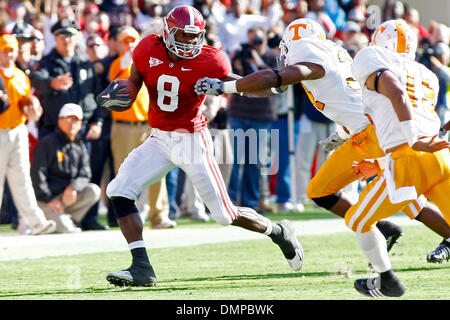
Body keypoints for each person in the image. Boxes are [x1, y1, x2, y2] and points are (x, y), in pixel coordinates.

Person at [194, 18, 450, 260]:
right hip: (362, 134)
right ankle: (382, 228)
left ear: (297, 41)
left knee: (410, 194)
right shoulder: (332, 54)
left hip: (374, 135)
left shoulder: (308, 53)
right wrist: (340, 134)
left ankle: (438, 236)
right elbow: (272, 87)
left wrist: (224, 87)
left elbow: (277, 78)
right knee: (319, 190)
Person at [96, 5, 303, 287]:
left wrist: (274, 87)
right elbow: (134, 81)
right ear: (168, 32)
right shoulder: (146, 48)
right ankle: (141, 267)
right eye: (183, 35)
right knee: (118, 191)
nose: (190, 42)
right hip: (159, 137)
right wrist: (122, 94)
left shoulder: (211, 61)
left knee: (223, 215)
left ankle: (278, 231)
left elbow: (240, 85)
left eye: (195, 36)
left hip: (192, 139)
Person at [347, 19, 450, 297]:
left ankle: (386, 281)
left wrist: (410, 137)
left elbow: (397, 94)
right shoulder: (426, 73)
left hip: (409, 156)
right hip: (440, 156)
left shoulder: (370, 57)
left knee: (357, 219)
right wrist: (381, 163)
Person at [108, 26, 175, 229]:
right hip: (124, 126)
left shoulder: (147, 61)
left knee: (158, 170)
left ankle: (159, 215)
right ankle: (130, 216)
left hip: (148, 124)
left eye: (132, 41)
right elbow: (117, 79)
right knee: (125, 173)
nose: (129, 45)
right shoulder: (116, 64)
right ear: (118, 43)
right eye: (125, 41)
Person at [0, 34, 56, 235]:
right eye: (5, 49)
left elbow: (24, 100)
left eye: (11, 49)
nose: (9, 53)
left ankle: (35, 222)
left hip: (18, 129)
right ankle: (33, 221)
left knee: (22, 177)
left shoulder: (20, 75)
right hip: (0, 130)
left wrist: (32, 106)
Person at [30, 103, 101, 233]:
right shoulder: (47, 143)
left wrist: (73, 187)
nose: (72, 123)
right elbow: (37, 175)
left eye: (76, 120)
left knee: (93, 190)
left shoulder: (80, 144)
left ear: (81, 124)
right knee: (67, 230)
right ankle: (61, 221)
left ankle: (67, 219)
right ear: (59, 121)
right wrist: (49, 199)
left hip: (67, 198)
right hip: (45, 200)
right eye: (68, 119)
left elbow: (85, 173)